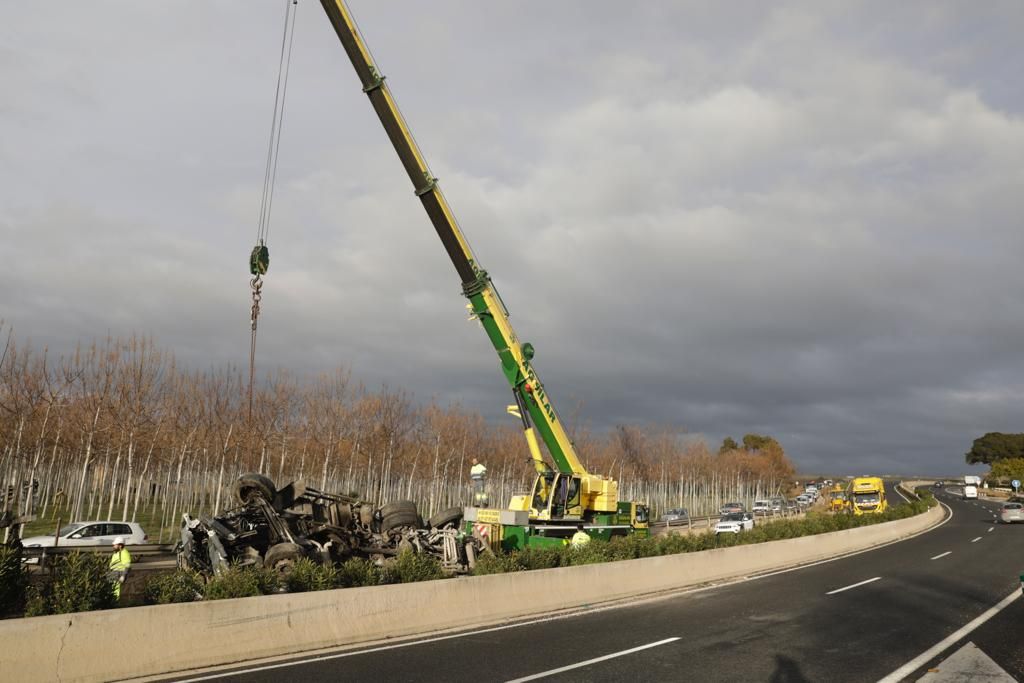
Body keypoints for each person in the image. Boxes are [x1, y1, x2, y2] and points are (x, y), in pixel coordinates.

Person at [108, 536, 132, 601]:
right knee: (112, 588)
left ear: (120, 545)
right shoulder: (117, 552)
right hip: (113, 573)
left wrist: (123, 576)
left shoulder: (124, 553)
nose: (113, 546)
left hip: (118, 573)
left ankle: (115, 601)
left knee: (116, 589)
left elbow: (127, 566)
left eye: (115, 545)